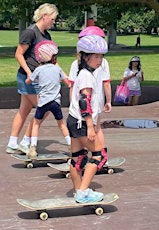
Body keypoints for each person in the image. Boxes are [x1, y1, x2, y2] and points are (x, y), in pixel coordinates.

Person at [6, 3, 59, 154]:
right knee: (46, 107)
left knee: (24, 110)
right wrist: (30, 73)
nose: (53, 22)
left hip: (37, 79)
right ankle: (25, 141)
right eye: (53, 19)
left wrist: (61, 73)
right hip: (27, 78)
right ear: (45, 16)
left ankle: (12, 143)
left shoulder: (46, 36)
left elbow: (51, 58)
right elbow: (18, 54)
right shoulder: (30, 32)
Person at [67, 35, 108, 203]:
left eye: (101, 56)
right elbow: (85, 102)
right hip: (82, 123)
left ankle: (78, 191)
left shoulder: (83, 73)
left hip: (73, 120)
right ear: (85, 57)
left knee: (78, 157)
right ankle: (83, 191)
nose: (100, 60)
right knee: (99, 156)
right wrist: (91, 127)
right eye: (96, 56)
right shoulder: (86, 76)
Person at [68, 25, 112, 158]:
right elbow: (107, 84)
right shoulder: (104, 62)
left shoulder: (76, 64)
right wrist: (108, 101)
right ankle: (101, 156)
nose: (99, 59)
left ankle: (94, 156)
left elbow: (72, 86)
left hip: (85, 104)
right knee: (97, 129)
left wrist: (72, 104)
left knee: (83, 132)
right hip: (96, 101)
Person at [24, 40, 71, 158]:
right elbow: (66, 81)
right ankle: (71, 146)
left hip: (43, 102)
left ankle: (33, 148)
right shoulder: (57, 69)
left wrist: (29, 78)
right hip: (55, 102)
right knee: (61, 124)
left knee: (36, 124)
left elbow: (29, 81)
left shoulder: (39, 70)